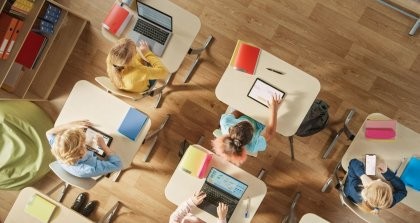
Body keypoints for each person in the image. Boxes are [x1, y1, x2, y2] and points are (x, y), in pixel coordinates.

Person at [212, 95, 282, 165]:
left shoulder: (225, 122)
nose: (248, 124)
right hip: (260, 121)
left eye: (244, 123)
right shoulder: (253, 146)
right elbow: (270, 134)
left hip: (247, 111)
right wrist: (274, 110)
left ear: (232, 128)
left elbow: (237, 112)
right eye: (251, 128)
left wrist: (253, 105)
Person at [46, 120, 122, 178]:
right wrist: (103, 146)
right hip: (96, 166)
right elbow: (117, 165)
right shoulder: (90, 168)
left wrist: (70, 125)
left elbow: (48, 133)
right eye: (83, 143)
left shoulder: (58, 146)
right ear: (82, 152)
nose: (85, 142)